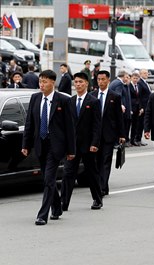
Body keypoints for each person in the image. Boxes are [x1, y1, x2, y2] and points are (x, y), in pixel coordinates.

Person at [22, 69, 76, 225]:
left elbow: (69, 127)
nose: (42, 84)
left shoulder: (63, 101)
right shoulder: (35, 98)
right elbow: (29, 124)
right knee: (48, 179)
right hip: (40, 144)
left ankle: (42, 215)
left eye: (45, 82)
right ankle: (57, 208)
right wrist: (26, 144)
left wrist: (71, 150)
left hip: (55, 146)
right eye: (40, 81)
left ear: (53, 83)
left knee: (48, 179)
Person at [61, 72, 102, 211]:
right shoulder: (69, 101)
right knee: (68, 173)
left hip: (88, 144)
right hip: (72, 145)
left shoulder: (93, 102)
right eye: (76, 82)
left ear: (86, 84)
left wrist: (95, 143)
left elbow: (97, 125)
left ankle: (97, 199)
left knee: (91, 172)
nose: (78, 84)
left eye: (81, 82)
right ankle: (64, 203)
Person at [90, 70, 126, 197]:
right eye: (98, 79)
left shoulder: (115, 96)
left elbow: (119, 117)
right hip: (94, 136)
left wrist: (122, 135)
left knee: (106, 161)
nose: (100, 82)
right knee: (96, 162)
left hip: (108, 135)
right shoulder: (92, 95)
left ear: (108, 80)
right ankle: (99, 184)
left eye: (103, 79)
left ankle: (102, 187)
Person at [109, 70, 131, 146]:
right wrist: (121, 105)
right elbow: (118, 96)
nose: (128, 79)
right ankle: (115, 142)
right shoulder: (119, 83)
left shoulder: (115, 82)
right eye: (126, 77)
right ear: (123, 76)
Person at [135, 69, 152, 146]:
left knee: (142, 123)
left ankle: (139, 138)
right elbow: (139, 96)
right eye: (144, 73)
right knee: (140, 124)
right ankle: (137, 139)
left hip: (147, 106)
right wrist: (140, 107)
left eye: (147, 73)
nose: (146, 74)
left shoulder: (145, 82)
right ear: (140, 74)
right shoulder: (140, 83)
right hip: (143, 106)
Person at [129, 71, 142, 146]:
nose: (135, 80)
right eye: (134, 78)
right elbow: (129, 98)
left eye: (137, 78)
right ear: (131, 78)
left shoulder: (139, 86)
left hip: (137, 108)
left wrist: (140, 108)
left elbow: (139, 98)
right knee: (128, 125)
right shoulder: (129, 86)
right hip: (131, 108)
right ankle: (126, 140)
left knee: (135, 125)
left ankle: (133, 140)